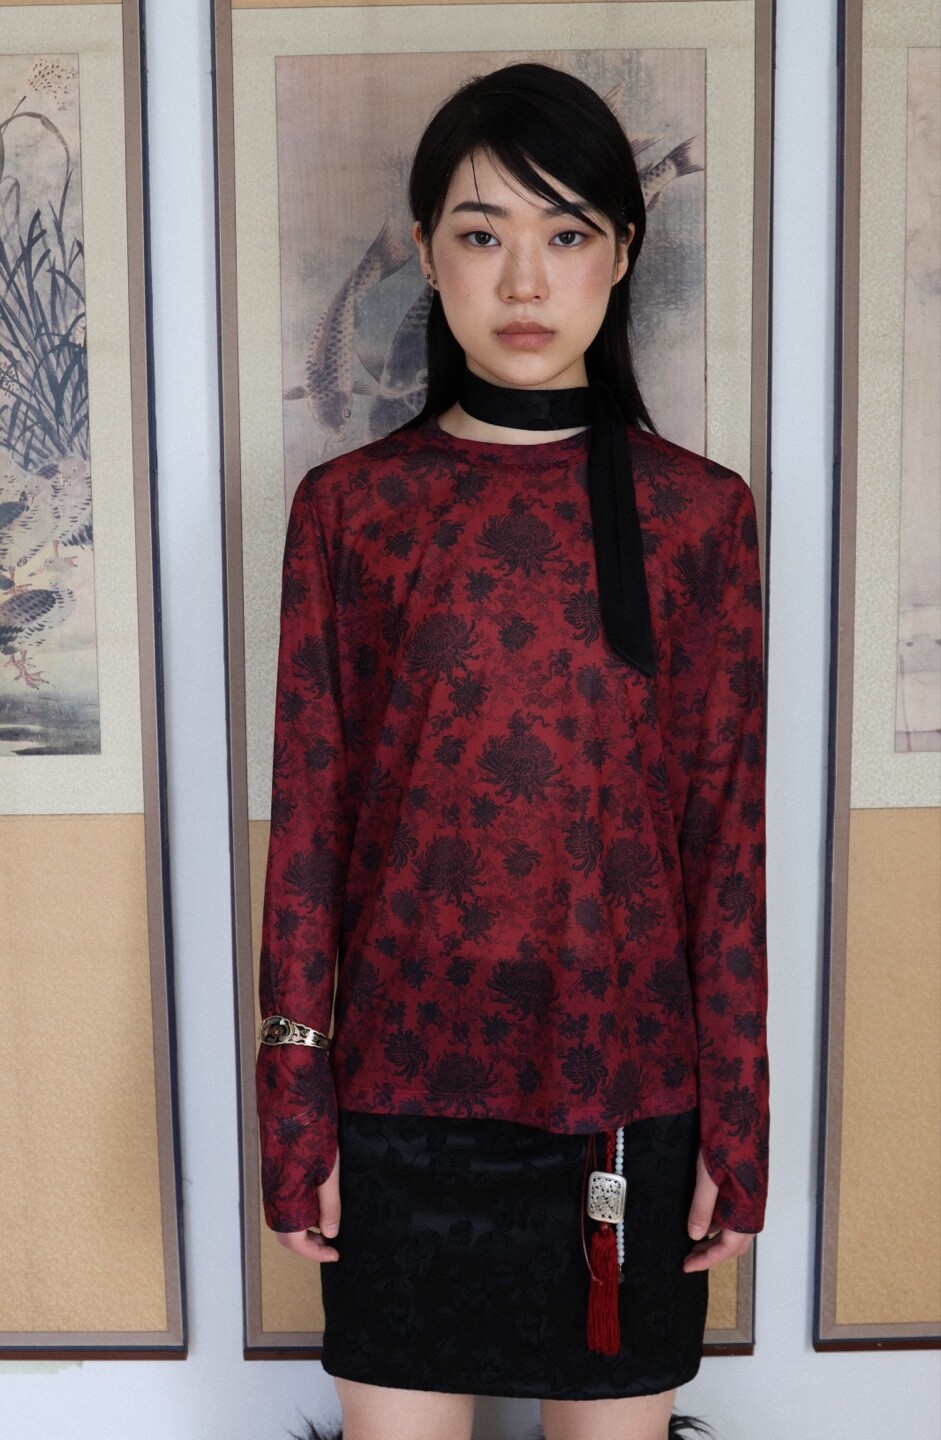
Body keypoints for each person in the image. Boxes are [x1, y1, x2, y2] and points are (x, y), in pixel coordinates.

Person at [256, 61, 770, 1440]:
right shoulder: (350, 513)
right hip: (398, 1103)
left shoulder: (698, 518)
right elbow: (308, 833)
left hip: (626, 1101)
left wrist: (738, 1115)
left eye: (566, 232)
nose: (525, 280)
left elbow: (725, 843)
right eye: (483, 233)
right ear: (428, 254)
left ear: (622, 253)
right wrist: (293, 1103)